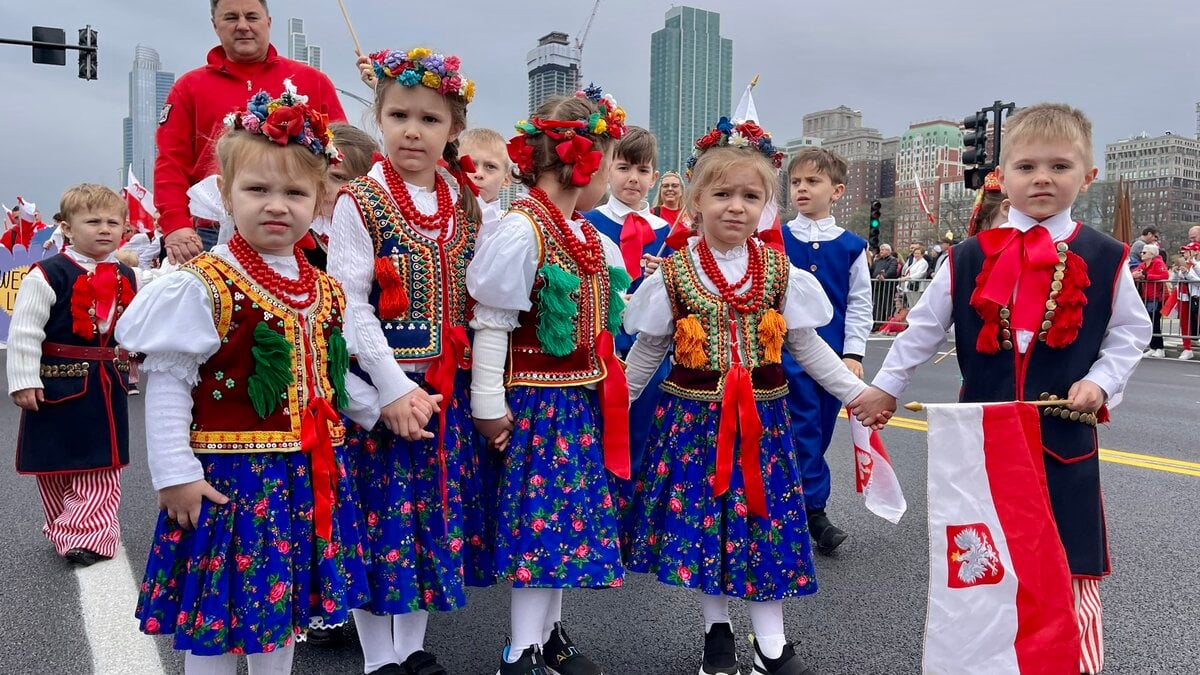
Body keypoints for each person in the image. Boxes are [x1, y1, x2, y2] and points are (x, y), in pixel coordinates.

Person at [852, 103, 1152, 675]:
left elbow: (1131, 333)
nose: (1042, 178)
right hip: (979, 448)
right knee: (982, 566)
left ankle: (1072, 665)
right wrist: (885, 388)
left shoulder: (1107, 258)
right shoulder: (965, 257)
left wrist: (1099, 381)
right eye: (1027, 166)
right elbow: (922, 330)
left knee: (1068, 569)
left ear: (1087, 177)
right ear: (1003, 177)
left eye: (1060, 166)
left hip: (1062, 445)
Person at [117, 85, 369, 673]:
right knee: (214, 616)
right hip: (227, 479)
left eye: (295, 192)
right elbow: (171, 382)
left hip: (303, 477)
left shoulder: (324, 287)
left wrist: (385, 405)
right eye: (258, 190)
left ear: (320, 198)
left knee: (277, 616)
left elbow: (327, 379)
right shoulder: (201, 282)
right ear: (226, 194)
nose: (276, 205)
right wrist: (175, 473)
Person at [621, 118, 879, 675]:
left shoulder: (781, 272)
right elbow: (644, 353)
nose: (735, 207)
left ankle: (771, 644)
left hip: (762, 426)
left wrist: (859, 393)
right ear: (695, 200)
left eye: (750, 196)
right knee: (706, 529)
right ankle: (717, 632)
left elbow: (809, 349)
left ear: (767, 205)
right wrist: (609, 409)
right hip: (694, 426)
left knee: (765, 526)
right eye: (722, 194)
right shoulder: (672, 274)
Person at [328, 47, 485, 675]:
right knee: (374, 523)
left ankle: (412, 647)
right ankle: (377, 658)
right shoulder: (358, 201)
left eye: (429, 119)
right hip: (380, 390)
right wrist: (392, 391)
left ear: (452, 129)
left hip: (448, 392)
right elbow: (352, 306)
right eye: (398, 116)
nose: (412, 131)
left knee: (428, 523)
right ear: (378, 119)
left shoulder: (467, 203)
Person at [467, 88, 630, 675]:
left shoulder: (585, 233)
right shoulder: (522, 230)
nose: (612, 174)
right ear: (580, 164)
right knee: (543, 530)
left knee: (562, 527)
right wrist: (487, 402)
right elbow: (491, 318)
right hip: (535, 403)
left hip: (576, 403)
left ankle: (550, 633)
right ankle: (520, 647)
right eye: (610, 161)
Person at [155, 0, 346, 264]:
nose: (243, 26)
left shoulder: (312, 81)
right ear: (215, 25)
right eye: (231, 17)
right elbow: (171, 162)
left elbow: (342, 153)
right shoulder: (188, 87)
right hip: (210, 232)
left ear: (268, 22)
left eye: (252, 17)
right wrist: (176, 224)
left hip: (297, 229)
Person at [7, 184, 137, 566]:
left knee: (100, 462)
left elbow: (141, 324)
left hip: (106, 381)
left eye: (114, 222)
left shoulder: (128, 274)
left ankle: (90, 536)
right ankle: (64, 526)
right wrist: (23, 379)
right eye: (93, 220)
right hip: (55, 381)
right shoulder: (46, 274)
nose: (104, 229)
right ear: (65, 227)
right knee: (54, 464)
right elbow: (25, 330)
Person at [771, 147, 871, 555]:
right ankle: (812, 512)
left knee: (821, 429)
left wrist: (854, 354)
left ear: (837, 191)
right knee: (802, 430)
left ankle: (801, 505)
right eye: (795, 182)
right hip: (784, 353)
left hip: (831, 356)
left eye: (812, 182)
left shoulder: (851, 246)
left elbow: (860, 302)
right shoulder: (777, 237)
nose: (801, 189)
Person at [581, 124, 672, 534]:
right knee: (599, 427)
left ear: (654, 176)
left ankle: (633, 514)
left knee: (644, 430)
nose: (633, 178)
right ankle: (597, 510)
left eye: (643, 170)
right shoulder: (588, 221)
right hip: (602, 344)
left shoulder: (668, 233)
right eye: (623, 168)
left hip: (651, 350)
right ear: (607, 170)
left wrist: (666, 275)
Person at [459, 127, 513, 227]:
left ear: (506, 179)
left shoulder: (510, 226)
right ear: (456, 172)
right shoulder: (438, 217)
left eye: (490, 167)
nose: (478, 174)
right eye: (469, 164)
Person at [1132, 243, 1169, 358]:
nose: (1141, 254)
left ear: (1151, 254)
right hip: (1147, 297)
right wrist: (1135, 275)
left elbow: (1165, 275)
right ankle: (1153, 347)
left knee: (1155, 322)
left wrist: (1147, 276)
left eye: (1144, 252)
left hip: (1157, 297)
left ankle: (1160, 348)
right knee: (1150, 322)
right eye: (1142, 252)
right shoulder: (1143, 265)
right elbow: (1134, 272)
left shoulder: (1158, 262)